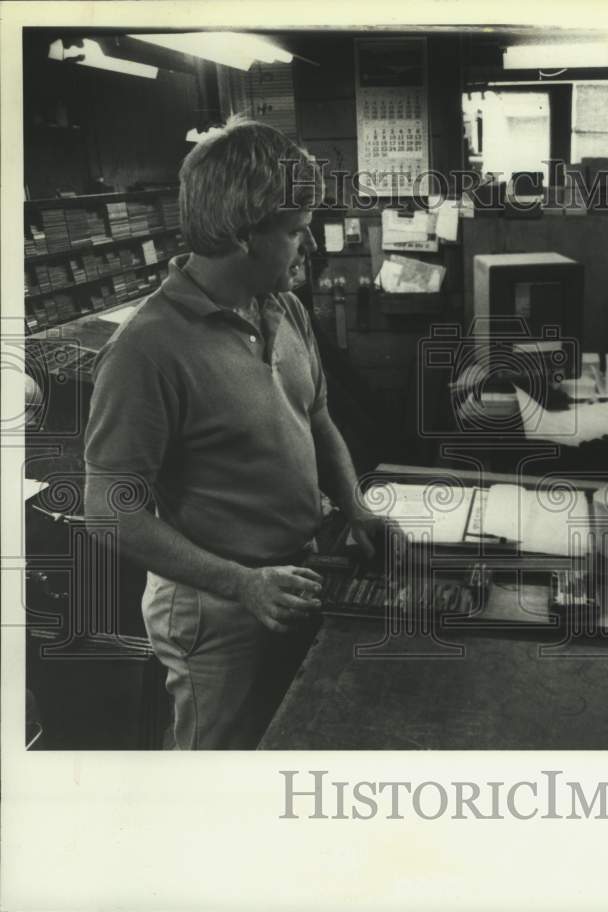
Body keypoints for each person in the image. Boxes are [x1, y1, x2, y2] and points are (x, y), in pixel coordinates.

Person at [84, 116, 387, 749]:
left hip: (291, 582)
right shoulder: (147, 349)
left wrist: (355, 508)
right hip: (216, 609)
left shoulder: (283, 306)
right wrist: (241, 583)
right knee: (217, 780)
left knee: (280, 755)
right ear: (245, 234)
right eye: (296, 232)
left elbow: (318, 416)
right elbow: (109, 511)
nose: (307, 248)